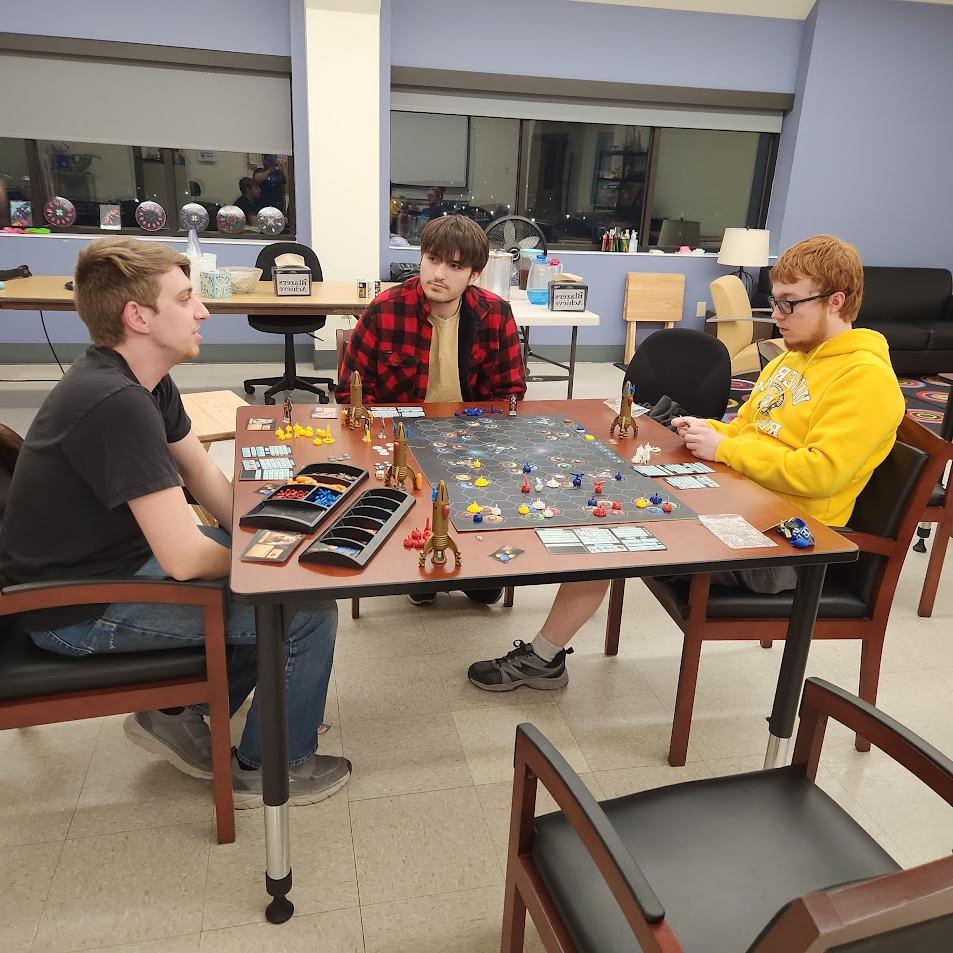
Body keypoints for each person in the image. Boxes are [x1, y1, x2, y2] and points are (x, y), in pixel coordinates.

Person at [467, 233, 906, 691]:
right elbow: (750, 430)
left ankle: (543, 658)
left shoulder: (866, 379)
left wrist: (726, 449)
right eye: (774, 303)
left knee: (613, 533)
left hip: (787, 545)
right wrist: (713, 431)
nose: (777, 318)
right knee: (616, 490)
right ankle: (543, 646)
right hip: (740, 501)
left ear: (836, 301)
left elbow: (822, 472)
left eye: (789, 304)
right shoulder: (790, 360)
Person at [0, 237, 349, 808]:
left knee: (256, 573)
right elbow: (184, 559)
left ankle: (175, 710)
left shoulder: (145, 381)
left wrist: (279, 530)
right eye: (186, 299)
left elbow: (208, 483)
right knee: (303, 608)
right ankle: (271, 769)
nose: (204, 311)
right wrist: (285, 560)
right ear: (137, 316)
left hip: (110, 564)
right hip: (70, 609)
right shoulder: (116, 403)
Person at [337, 214, 526, 606]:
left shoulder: (496, 314)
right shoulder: (384, 310)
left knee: (486, 589)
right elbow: (349, 393)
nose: (438, 273)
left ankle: (472, 554)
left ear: (474, 274)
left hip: (475, 442)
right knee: (420, 582)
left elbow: (511, 393)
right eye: (432, 259)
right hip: (403, 443)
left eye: (454, 266)